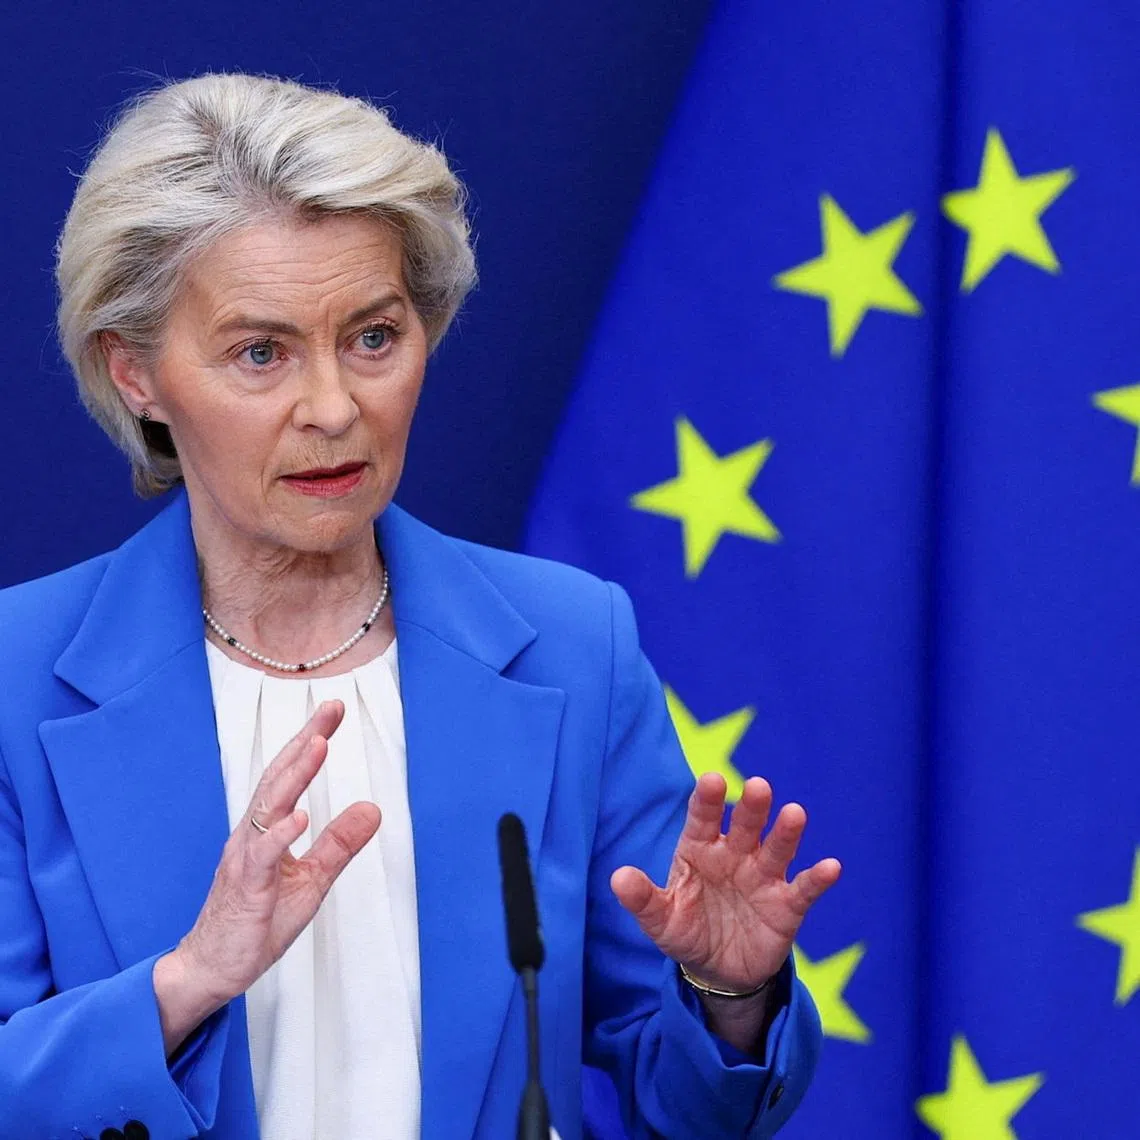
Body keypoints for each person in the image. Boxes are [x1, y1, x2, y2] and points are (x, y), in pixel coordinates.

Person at [0, 73, 841, 1140]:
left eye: (373, 336)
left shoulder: (574, 649)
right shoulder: (17, 677)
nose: (335, 407)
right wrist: (188, 980)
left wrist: (730, 998)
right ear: (135, 375)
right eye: (262, 352)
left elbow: (685, 1106)